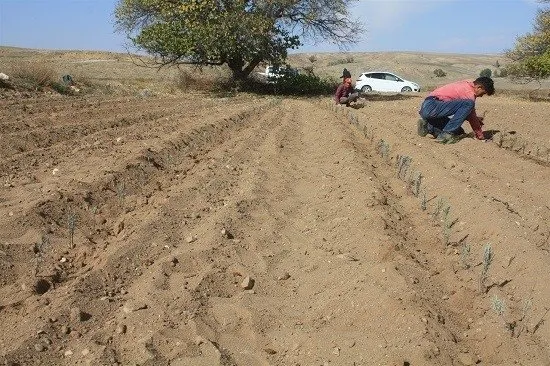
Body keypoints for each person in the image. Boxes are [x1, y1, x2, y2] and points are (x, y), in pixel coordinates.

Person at [417, 76, 495, 144]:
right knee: (469, 104)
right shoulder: (469, 93)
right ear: (479, 87)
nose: (481, 96)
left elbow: (464, 111)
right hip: (433, 106)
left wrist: (474, 118)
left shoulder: (465, 84)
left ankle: (427, 126)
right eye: (483, 93)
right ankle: (447, 134)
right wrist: (480, 136)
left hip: (429, 107)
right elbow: (471, 116)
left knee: (459, 132)